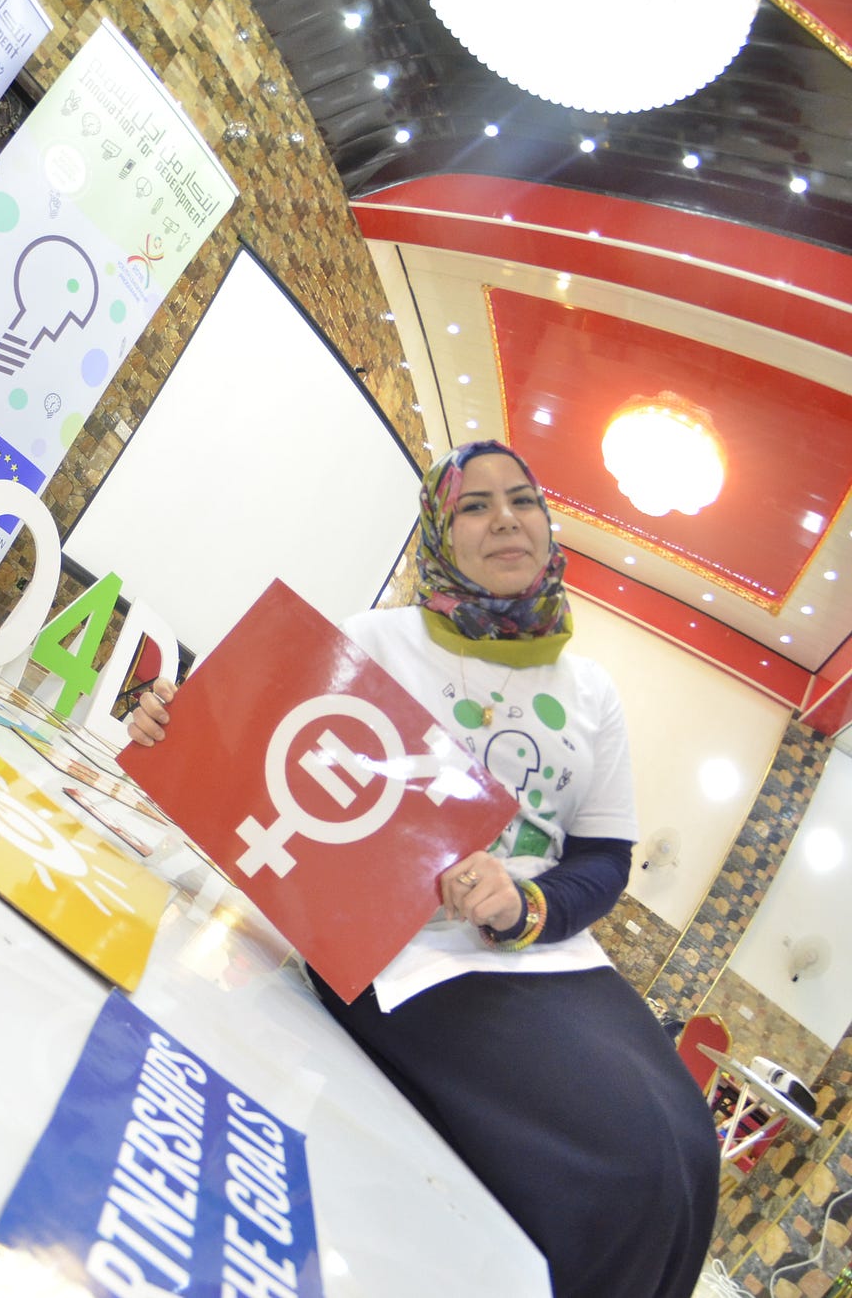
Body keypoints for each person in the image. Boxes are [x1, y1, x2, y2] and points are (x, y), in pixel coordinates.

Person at [129, 440, 718, 1298]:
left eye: (522, 499)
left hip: (545, 954)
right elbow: (264, 744)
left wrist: (526, 904)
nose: (505, 518)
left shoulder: (590, 691)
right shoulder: (376, 639)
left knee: (687, 1148)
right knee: (619, 1172)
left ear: (549, 526)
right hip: (401, 951)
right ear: (438, 532)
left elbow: (602, 859)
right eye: (474, 505)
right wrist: (174, 723)